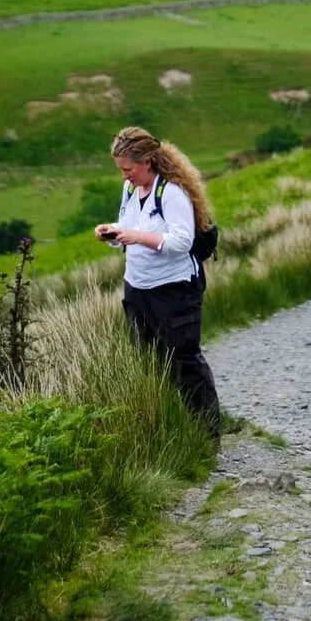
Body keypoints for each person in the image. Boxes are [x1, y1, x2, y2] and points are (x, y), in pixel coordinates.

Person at [97, 126, 221, 435]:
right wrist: (112, 233)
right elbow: (129, 226)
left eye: (128, 169)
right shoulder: (131, 189)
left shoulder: (172, 192)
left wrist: (135, 237)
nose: (124, 176)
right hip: (137, 289)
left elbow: (181, 241)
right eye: (121, 170)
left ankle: (207, 433)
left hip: (174, 291)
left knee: (185, 361)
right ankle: (170, 426)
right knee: (150, 360)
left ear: (148, 162)